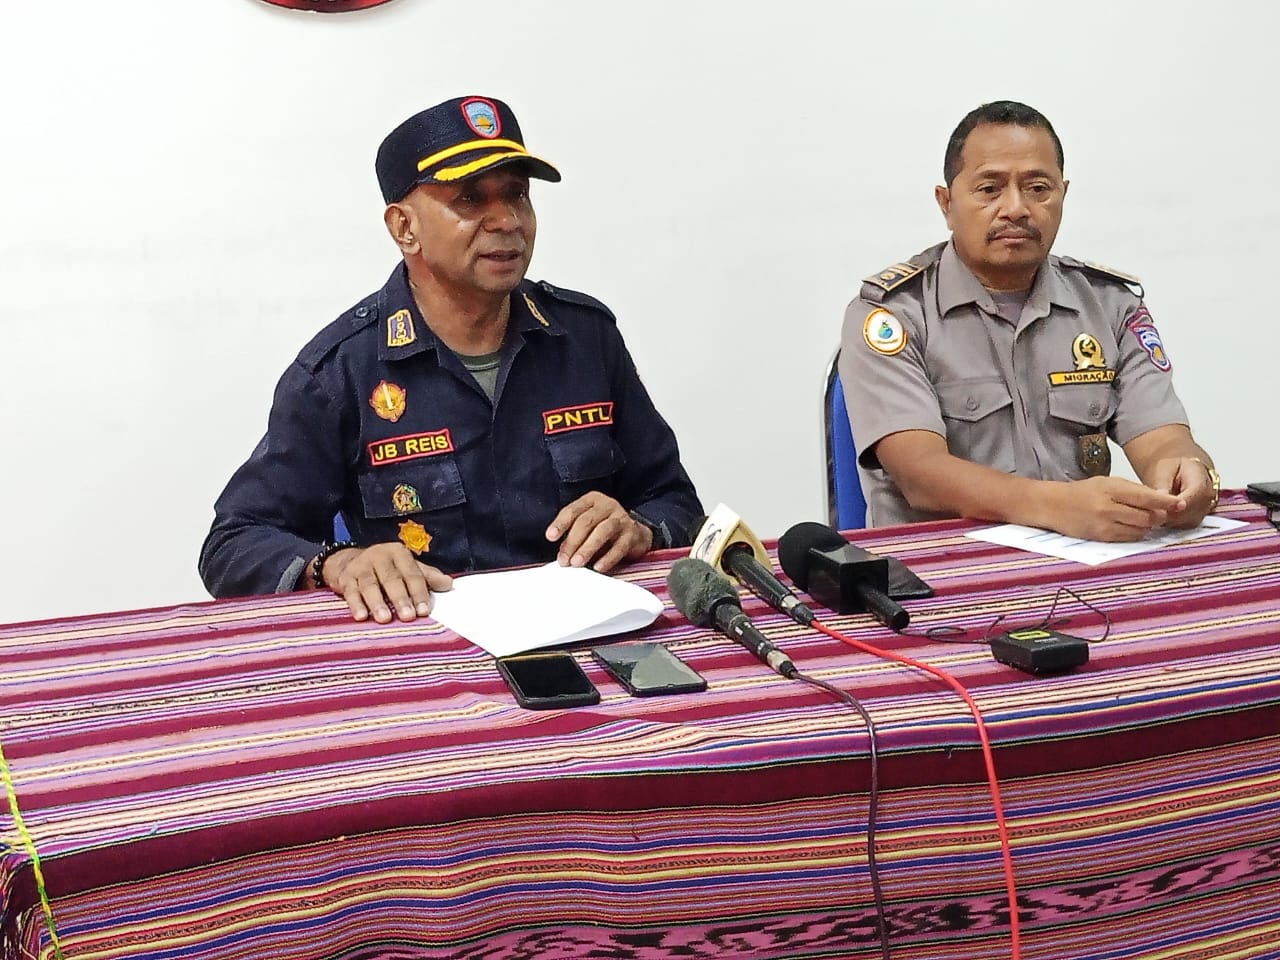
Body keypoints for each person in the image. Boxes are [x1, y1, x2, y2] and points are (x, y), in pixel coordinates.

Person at [200, 95, 702, 622]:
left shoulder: (586, 339)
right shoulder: (340, 372)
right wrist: (338, 563)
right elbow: (233, 543)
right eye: (469, 198)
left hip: (591, 629)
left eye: (517, 195)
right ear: (404, 228)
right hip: (427, 645)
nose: (507, 220)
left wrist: (639, 526)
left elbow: (674, 501)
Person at [839, 100, 1218, 542]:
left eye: (1038, 188)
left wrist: (1185, 474)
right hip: (942, 567)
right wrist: (1058, 506)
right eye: (989, 189)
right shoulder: (892, 314)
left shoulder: (1111, 305)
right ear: (946, 203)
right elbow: (919, 473)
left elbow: (1162, 438)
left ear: (1063, 195)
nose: (1016, 208)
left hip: (1084, 557)